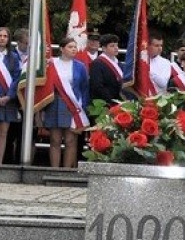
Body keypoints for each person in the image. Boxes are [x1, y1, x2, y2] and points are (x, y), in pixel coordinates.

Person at [41, 35, 89, 168]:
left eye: (75, 47)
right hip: (55, 104)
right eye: (70, 47)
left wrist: (83, 106)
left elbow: (85, 88)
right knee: (55, 140)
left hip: (73, 106)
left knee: (70, 140)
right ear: (62, 49)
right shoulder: (51, 63)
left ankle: (66, 170)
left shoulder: (80, 67)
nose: (74, 49)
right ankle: (54, 170)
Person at [0, 26, 23, 170]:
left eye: (5, 36)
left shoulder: (14, 57)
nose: (2, 38)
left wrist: (9, 95)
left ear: (9, 39)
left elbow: (17, 78)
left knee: (3, 133)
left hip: (8, 100)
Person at [89, 34, 124, 104]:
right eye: (112, 46)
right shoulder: (97, 63)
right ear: (104, 48)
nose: (116, 48)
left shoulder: (119, 63)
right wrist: (112, 101)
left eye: (117, 45)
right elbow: (97, 86)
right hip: (105, 104)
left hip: (120, 101)